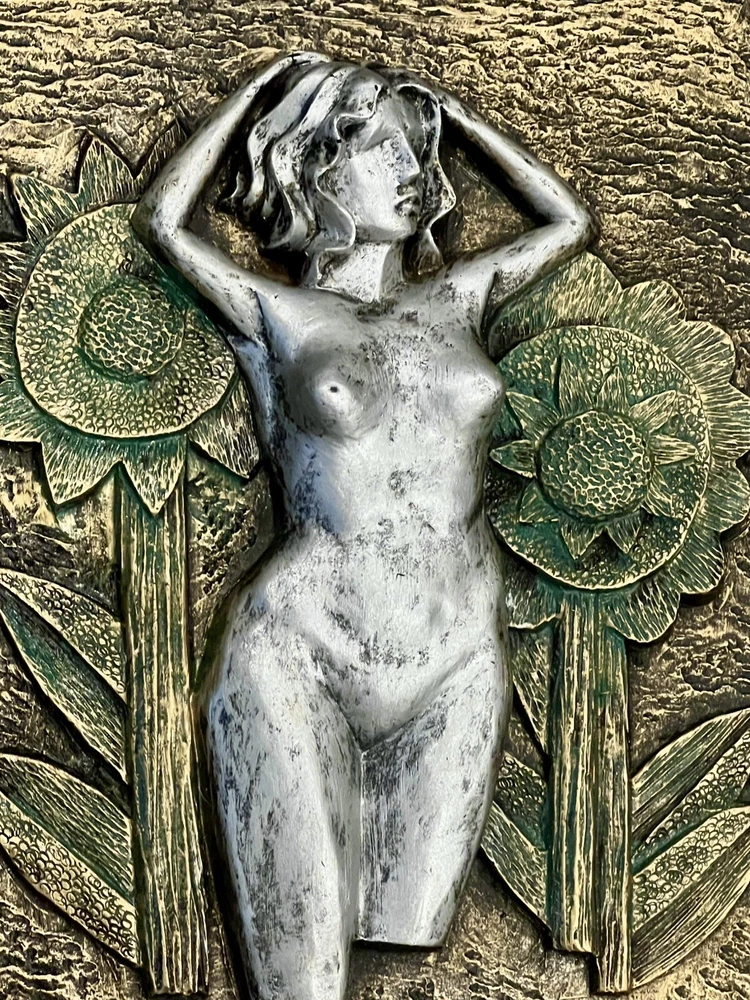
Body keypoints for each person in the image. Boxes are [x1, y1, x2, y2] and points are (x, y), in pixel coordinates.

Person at [133, 50, 594, 1000]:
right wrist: (251, 96)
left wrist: (459, 118)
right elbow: (164, 223)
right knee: (300, 979)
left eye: (416, 151)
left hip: (455, 659)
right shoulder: (277, 312)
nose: (411, 169)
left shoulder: (457, 297)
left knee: (405, 956)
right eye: (380, 147)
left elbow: (570, 223)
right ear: (314, 167)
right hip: (303, 651)